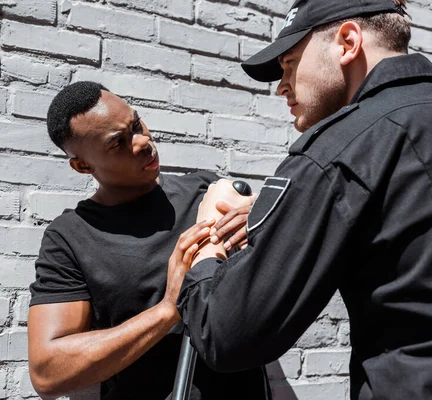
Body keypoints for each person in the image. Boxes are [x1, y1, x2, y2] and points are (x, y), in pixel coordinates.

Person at [174, 0, 432, 399]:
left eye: (290, 63)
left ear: (347, 42)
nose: (281, 85)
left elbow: (225, 334)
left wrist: (207, 240)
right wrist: (287, 209)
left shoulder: (338, 151)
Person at [26, 81, 270, 399]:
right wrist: (169, 308)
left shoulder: (204, 192)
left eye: (137, 123)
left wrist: (265, 218)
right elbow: (47, 373)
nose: (142, 142)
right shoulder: (70, 238)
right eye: (118, 143)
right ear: (83, 165)